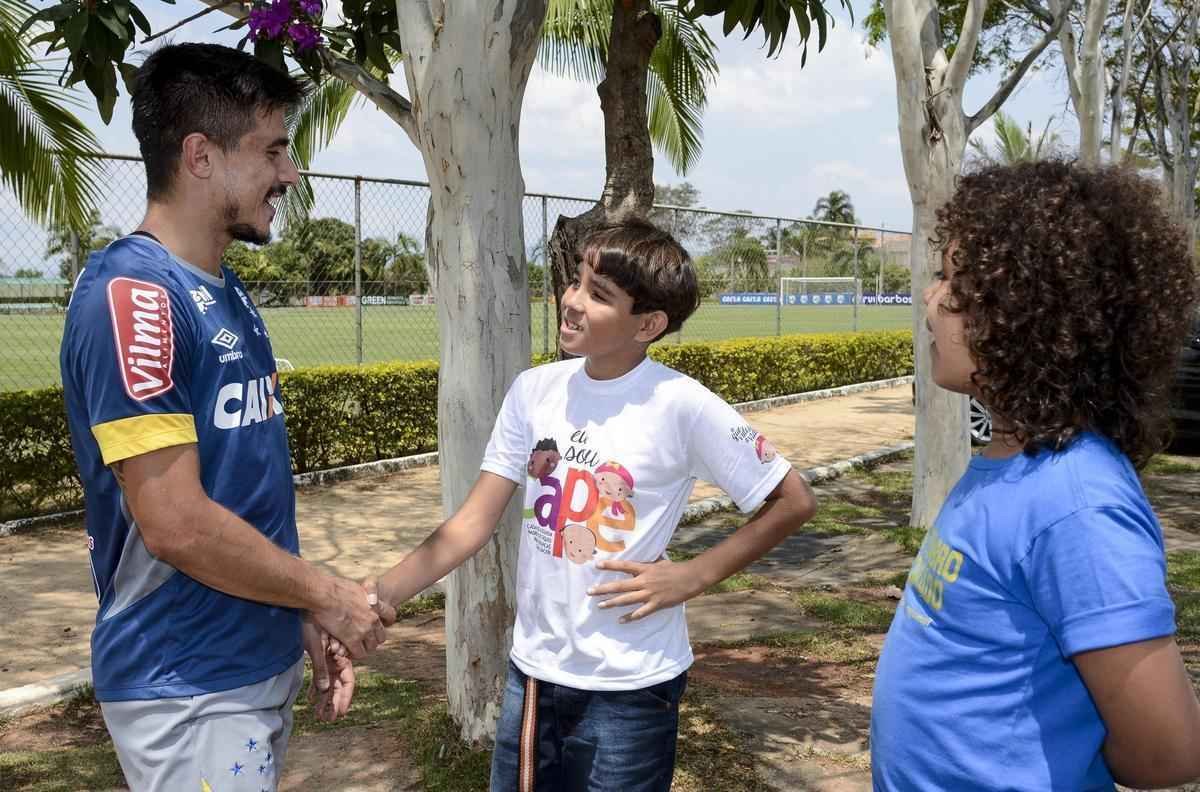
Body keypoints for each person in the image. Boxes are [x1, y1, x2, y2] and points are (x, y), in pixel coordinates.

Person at [362, 219, 818, 791]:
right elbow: (472, 524)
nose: (572, 301)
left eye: (598, 295)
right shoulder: (534, 391)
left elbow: (792, 500)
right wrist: (376, 596)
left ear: (648, 325)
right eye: (575, 281)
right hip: (534, 674)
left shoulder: (682, 405)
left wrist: (692, 576)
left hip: (633, 687)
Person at [59, 42, 390, 792]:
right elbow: (175, 523)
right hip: (188, 683)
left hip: (240, 665)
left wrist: (293, 614)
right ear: (200, 156)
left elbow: (243, 497)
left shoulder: (224, 289)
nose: (290, 173)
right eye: (272, 150)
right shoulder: (136, 296)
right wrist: (328, 595)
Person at [870, 161, 1200, 790]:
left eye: (954, 285)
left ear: (1031, 317)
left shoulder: (1076, 505)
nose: (931, 300)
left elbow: (1170, 751)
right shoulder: (1010, 462)